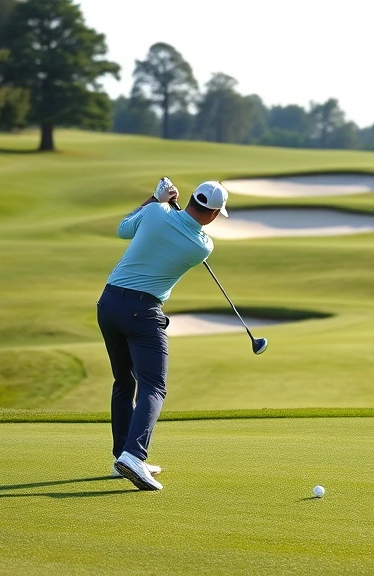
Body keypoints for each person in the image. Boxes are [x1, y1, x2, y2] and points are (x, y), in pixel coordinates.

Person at [97, 177, 229, 490]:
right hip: (142, 313)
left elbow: (123, 228)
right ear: (212, 214)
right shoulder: (202, 247)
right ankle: (133, 454)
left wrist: (155, 200)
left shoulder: (156, 211)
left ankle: (122, 457)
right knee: (154, 386)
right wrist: (164, 206)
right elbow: (181, 230)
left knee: (124, 381)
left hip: (108, 303)